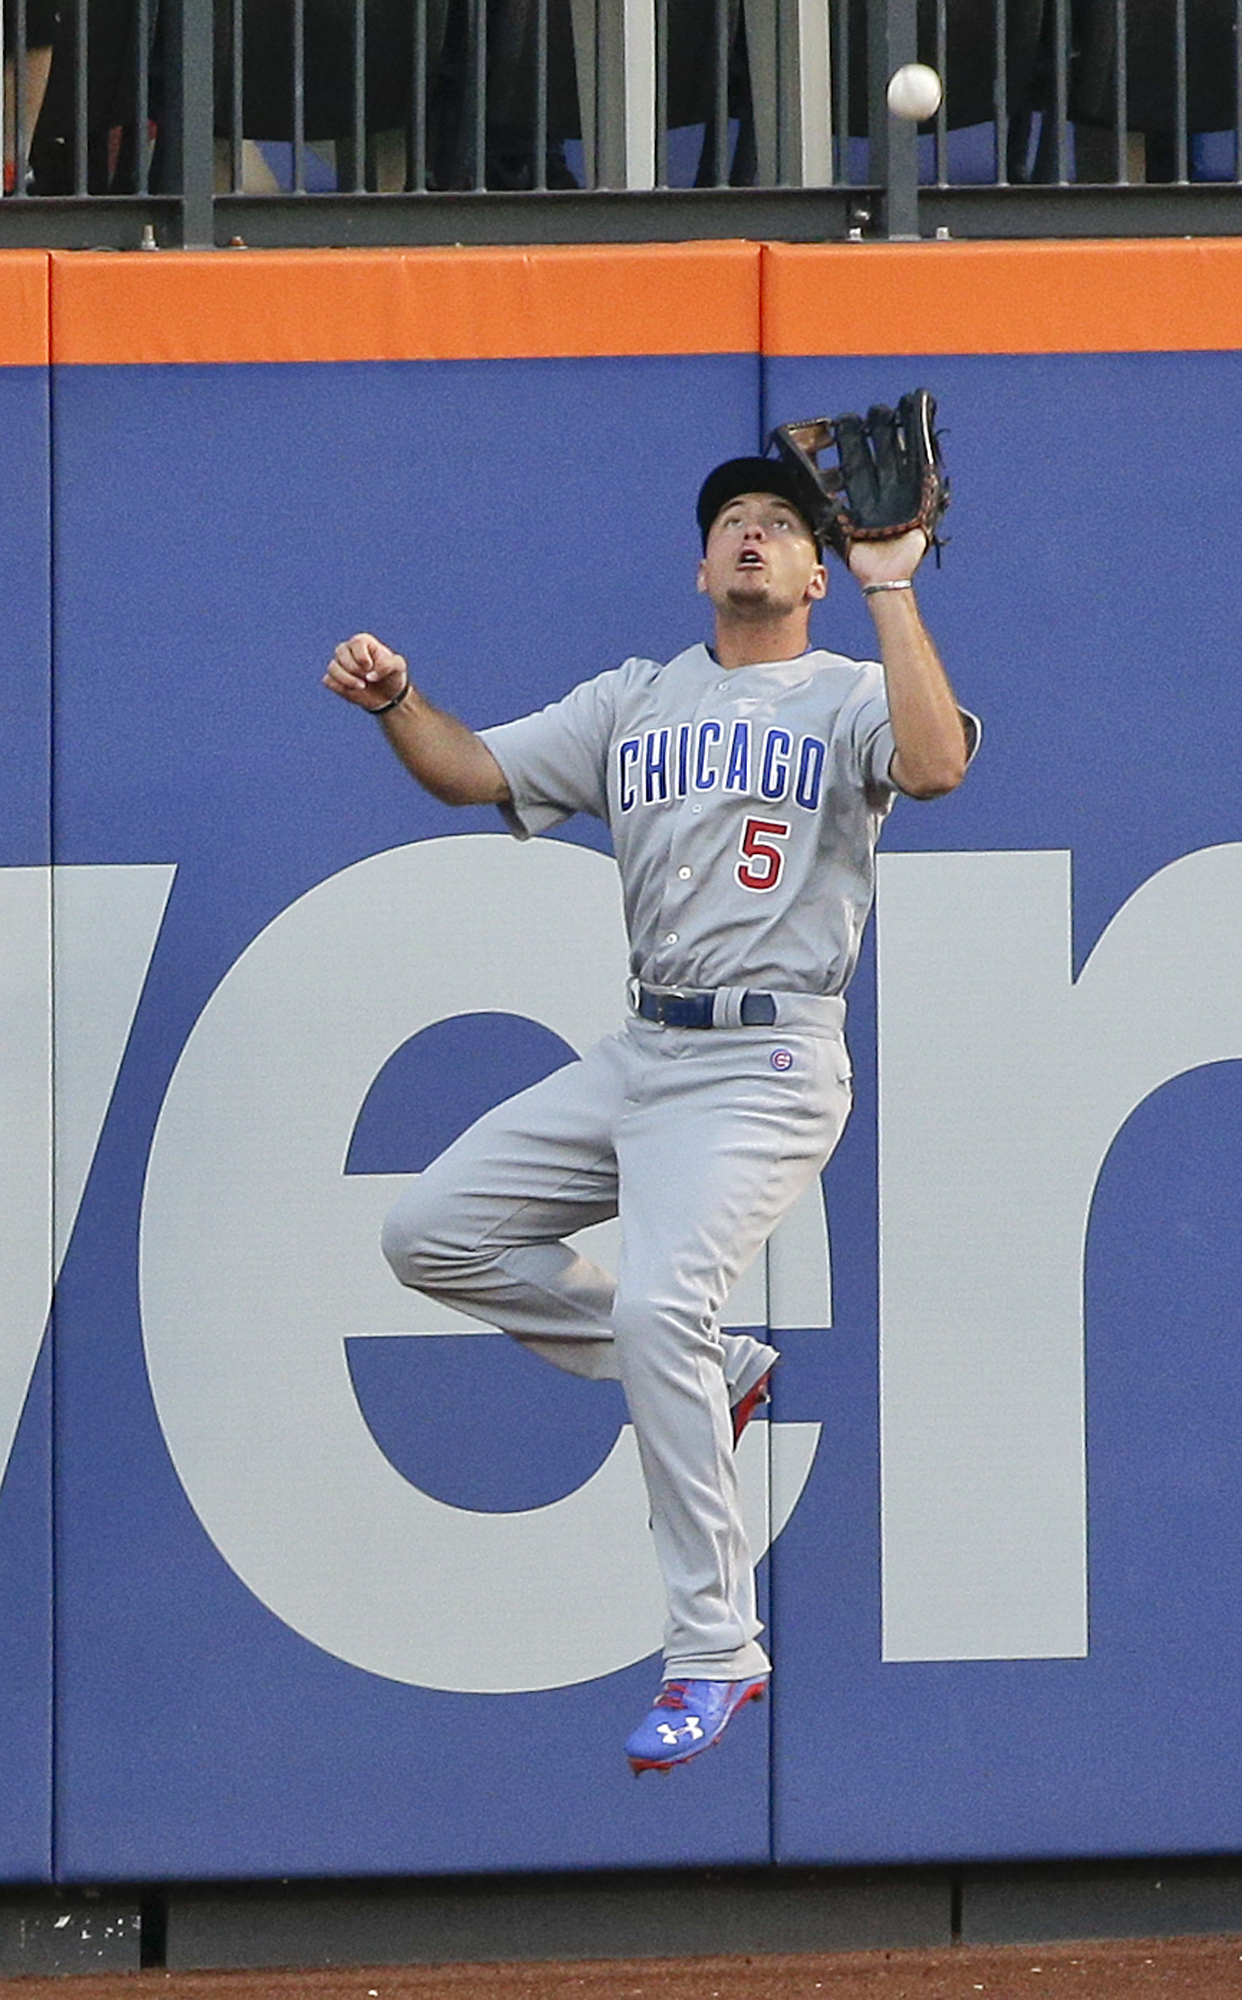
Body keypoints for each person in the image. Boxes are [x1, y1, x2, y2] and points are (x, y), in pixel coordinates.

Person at [323, 449, 977, 1775]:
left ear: (812, 567)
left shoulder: (851, 690)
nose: (750, 532)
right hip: (646, 1044)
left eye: (778, 523)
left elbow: (935, 764)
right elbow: (469, 773)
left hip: (766, 1063)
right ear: (700, 565)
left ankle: (714, 1651)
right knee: (430, 1233)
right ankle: (714, 1376)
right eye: (730, 520)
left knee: (654, 1305)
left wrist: (892, 592)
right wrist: (396, 705)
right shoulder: (635, 699)